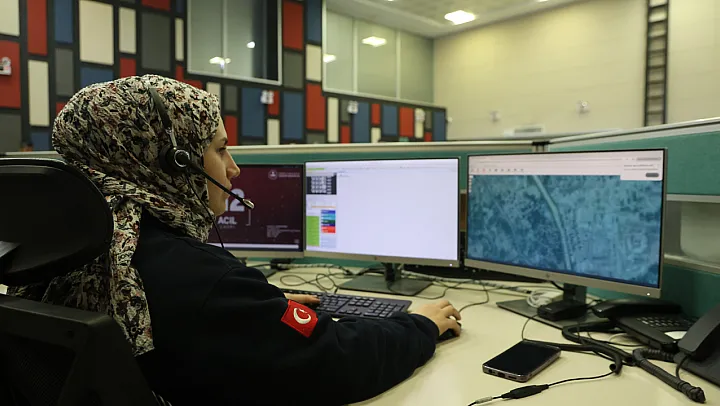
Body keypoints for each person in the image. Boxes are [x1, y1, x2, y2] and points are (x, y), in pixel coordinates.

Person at [9, 75, 462, 406]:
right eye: (220, 148)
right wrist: (419, 325)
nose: (234, 169)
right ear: (176, 162)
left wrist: (255, 307)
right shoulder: (200, 280)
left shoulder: (61, 253)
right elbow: (337, 362)